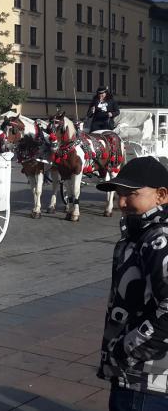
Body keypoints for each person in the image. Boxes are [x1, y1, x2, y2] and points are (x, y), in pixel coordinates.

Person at [96, 156, 168, 410]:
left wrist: (126, 350)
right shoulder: (142, 233)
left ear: (161, 195)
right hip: (139, 374)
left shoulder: (158, 238)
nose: (122, 202)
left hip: (145, 377)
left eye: (131, 194)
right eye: (119, 194)